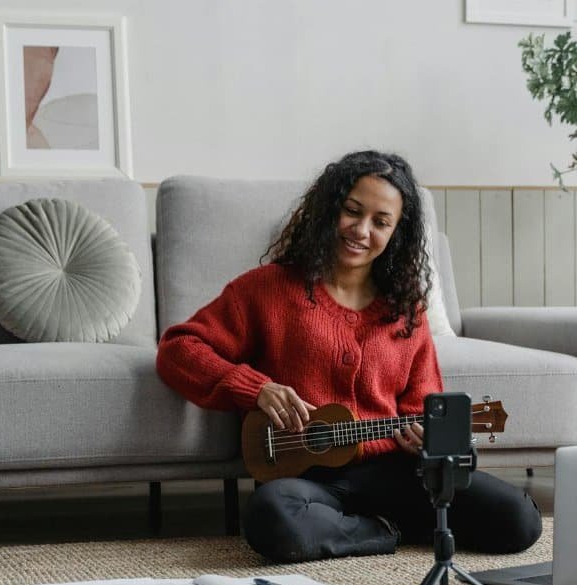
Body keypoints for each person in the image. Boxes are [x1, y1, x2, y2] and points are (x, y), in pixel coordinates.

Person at [156, 151, 541, 563]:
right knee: (271, 515)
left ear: (398, 232)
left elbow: (421, 407)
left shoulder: (407, 311)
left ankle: (363, 528)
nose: (361, 230)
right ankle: (387, 529)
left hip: (396, 475)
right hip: (309, 483)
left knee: (520, 519)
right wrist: (256, 388)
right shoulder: (266, 289)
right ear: (329, 208)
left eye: (380, 222)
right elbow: (178, 349)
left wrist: (429, 442)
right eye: (352, 211)